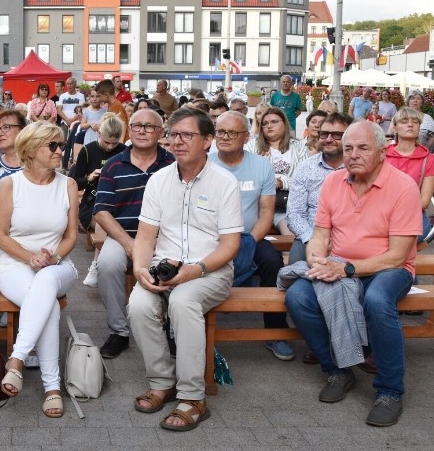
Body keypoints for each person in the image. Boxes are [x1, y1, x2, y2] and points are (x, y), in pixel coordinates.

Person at [284, 121, 420, 427]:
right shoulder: (333, 183)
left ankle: (389, 391)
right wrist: (317, 260)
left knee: (377, 299)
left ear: (383, 152)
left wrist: (345, 268)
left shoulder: (403, 187)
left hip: (388, 268)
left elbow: (398, 255)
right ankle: (338, 370)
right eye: (348, 148)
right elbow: (320, 234)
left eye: (362, 148)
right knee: (298, 296)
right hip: (339, 262)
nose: (353, 154)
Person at [128, 106, 242, 431]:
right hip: (164, 266)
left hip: (211, 269)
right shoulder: (159, 180)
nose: (178, 141)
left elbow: (231, 246)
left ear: (207, 140)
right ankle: (162, 382)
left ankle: (193, 397)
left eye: (187, 134)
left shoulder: (225, 183)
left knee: (183, 301)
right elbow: (146, 236)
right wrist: (139, 269)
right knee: (137, 304)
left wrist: (197, 269)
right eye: (173, 134)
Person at [0, 122, 78, 419]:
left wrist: (54, 255)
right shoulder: (10, 184)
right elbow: (0, 234)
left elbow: (71, 236)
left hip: (57, 265)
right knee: (49, 306)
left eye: (61, 145)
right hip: (13, 263)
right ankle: (52, 387)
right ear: (31, 150)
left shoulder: (67, 184)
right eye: (52, 145)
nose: (60, 150)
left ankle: (16, 359)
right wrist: (29, 257)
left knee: (45, 282)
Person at [210, 111, 291, 360]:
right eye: (220, 131)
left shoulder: (260, 166)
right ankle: (197, 330)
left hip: (249, 236)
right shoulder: (205, 163)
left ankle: (276, 330)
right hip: (211, 238)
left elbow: (266, 212)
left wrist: (249, 241)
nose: (225, 137)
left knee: (272, 261)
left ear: (246, 137)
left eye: (232, 132)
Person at [91, 110, 173, 357]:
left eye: (149, 127)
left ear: (161, 132)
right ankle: (119, 331)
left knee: (176, 265)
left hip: (165, 237)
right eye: (136, 125)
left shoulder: (172, 164)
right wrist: (128, 243)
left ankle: (171, 329)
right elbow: (102, 211)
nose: (141, 131)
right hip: (123, 234)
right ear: (129, 130)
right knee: (107, 264)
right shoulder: (114, 165)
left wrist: (159, 240)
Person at [287, 112, 353, 266]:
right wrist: (315, 240)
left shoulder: (357, 167)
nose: (329, 139)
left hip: (351, 238)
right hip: (310, 235)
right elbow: (294, 213)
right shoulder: (305, 168)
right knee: (296, 264)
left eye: (337, 135)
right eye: (324, 134)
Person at [72, 114, 127, 283]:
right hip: (92, 203)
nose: (110, 147)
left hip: (120, 203)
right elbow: (74, 182)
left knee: (113, 220)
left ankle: (99, 263)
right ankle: (98, 264)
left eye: (114, 142)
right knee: (106, 219)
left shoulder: (125, 151)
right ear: (99, 135)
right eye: (106, 142)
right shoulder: (88, 151)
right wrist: (90, 178)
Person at [245, 107, 309, 235]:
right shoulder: (252, 146)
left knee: (291, 235)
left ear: (284, 123)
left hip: (286, 207)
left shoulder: (299, 147)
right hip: (257, 206)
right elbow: (246, 176)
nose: (269, 126)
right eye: (265, 123)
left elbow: (305, 179)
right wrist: (268, 183)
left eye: (274, 122)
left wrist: (282, 183)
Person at [385, 106, 434, 242]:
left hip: (413, 218)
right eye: (404, 121)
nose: (410, 124)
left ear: (419, 127)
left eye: (415, 121)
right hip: (382, 216)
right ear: (394, 127)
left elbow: (424, 201)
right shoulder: (382, 155)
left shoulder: (428, 158)